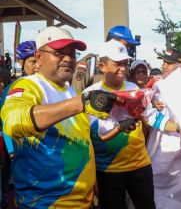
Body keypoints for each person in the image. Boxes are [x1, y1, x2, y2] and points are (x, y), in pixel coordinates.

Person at [0, 26, 121, 208]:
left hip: (82, 201)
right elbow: (14, 121)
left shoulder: (71, 91)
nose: (68, 59)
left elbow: (85, 139)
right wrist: (80, 104)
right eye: (59, 53)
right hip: (45, 203)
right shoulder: (28, 85)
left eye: (72, 54)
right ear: (39, 57)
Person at [83, 40, 155, 209]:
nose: (123, 68)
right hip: (108, 170)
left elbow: (151, 117)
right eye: (117, 64)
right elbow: (96, 137)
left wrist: (179, 127)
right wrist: (119, 128)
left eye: (125, 63)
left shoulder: (134, 89)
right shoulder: (90, 95)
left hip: (140, 165)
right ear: (102, 66)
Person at [146, 48, 181, 209]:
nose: (164, 66)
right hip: (161, 146)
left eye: (169, 63)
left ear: (180, 65)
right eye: (163, 61)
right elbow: (148, 113)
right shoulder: (158, 86)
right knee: (157, 186)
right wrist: (151, 104)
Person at [0, 40, 38, 209]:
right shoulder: (13, 88)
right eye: (32, 61)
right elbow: (6, 122)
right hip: (19, 151)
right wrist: (12, 151)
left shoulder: (47, 85)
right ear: (21, 63)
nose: (37, 65)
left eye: (39, 60)